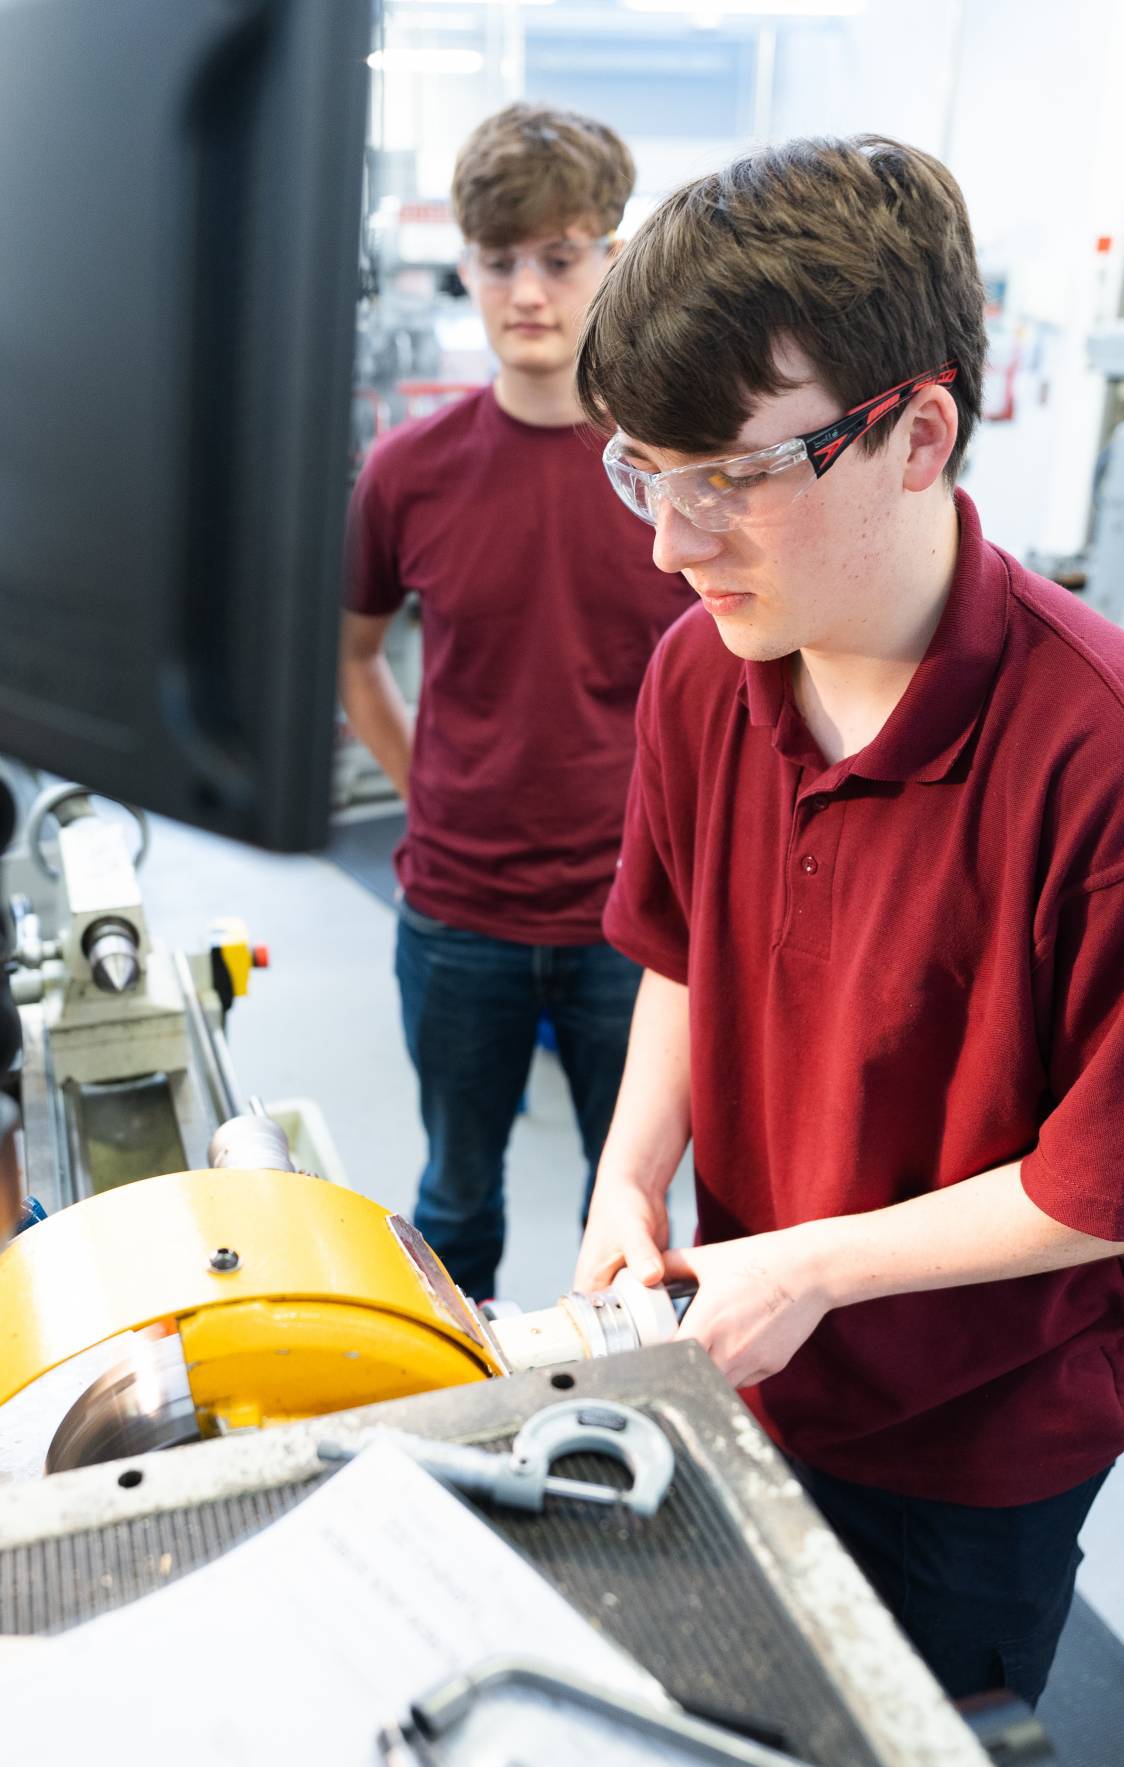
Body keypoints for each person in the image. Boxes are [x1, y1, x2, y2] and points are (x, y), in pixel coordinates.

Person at [568, 136, 1124, 1708]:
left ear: (917, 432)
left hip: (975, 1436)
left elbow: (1115, 1188)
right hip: (753, 1353)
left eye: (728, 477)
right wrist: (629, 1171)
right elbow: (679, 946)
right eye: (642, 472)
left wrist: (810, 1265)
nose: (672, 543)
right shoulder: (706, 669)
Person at [339, 103, 696, 1302]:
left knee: (630, 1214)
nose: (528, 291)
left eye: (559, 256)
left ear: (612, 259)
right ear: (468, 268)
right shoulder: (407, 473)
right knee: (454, 1199)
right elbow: (355, 656)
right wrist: (429, 792)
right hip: (458, 918)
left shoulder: (673, 477)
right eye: (500, 261)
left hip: (633, 929)